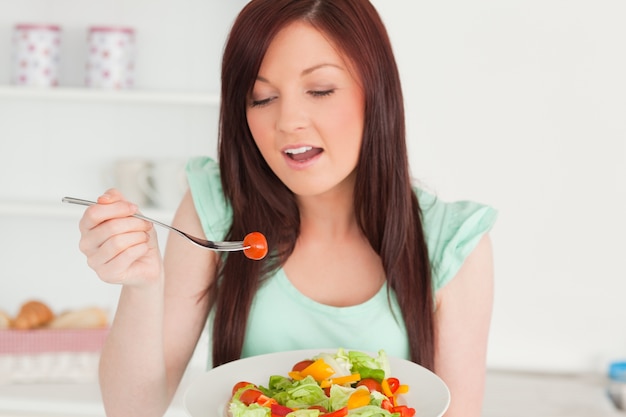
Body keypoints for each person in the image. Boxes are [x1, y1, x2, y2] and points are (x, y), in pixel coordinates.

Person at [76, 1, 497, 416]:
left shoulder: (453, 242)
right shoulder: (217, 209)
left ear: (377, 92)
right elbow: (132, 409)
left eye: (320, 91)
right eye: (261, 98)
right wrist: (141, 286)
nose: (288, 121)